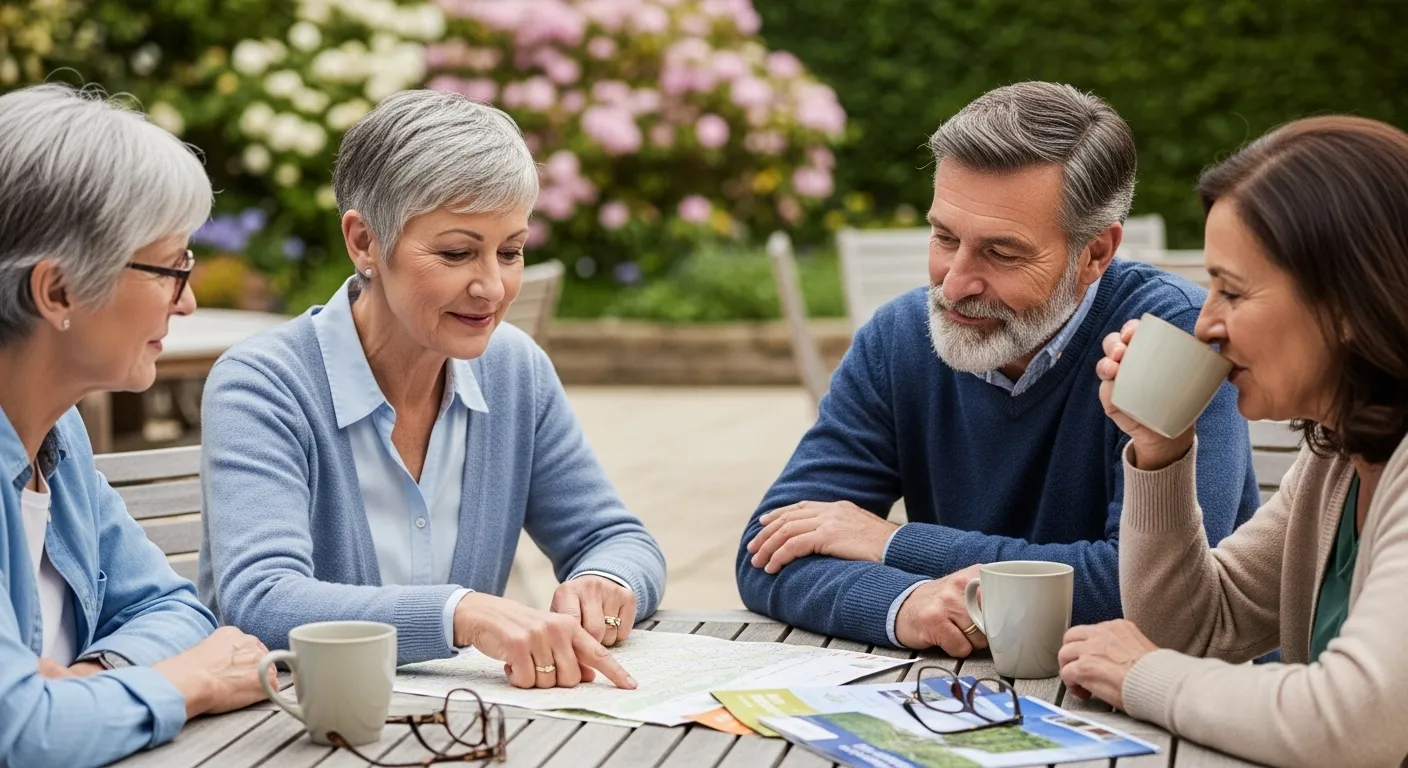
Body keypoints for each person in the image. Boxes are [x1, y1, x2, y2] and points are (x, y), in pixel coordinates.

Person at [736, 82, 1261, 653]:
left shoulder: (1168, 339)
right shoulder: (899, 337)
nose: (954, 285)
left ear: (1095, 254)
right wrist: (902, 605)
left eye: (1001, 253)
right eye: (944, 237)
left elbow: (1150, 592)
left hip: (1180, 703)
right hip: (972, 693)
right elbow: (767, 552)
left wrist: (891, 543)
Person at [200, 89, 665, 690]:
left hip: (468, 726)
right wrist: (461, 614)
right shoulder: (263, 384)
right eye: (456, 253)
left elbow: (615, 537)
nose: (493, 287)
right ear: (365, 242)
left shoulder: (514, 369)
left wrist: (608, 581)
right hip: (288, 734)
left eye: (512, 251)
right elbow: (261, 600)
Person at [1059, 117, 1408, 767]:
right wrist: (1160, 450)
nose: (1205, 324)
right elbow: (1196, 630)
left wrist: (1142, 676)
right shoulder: (1338, 456)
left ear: (1350, 304)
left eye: (1233, 291)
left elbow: (1355, 724)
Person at [0, 84, 269, 767]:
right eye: (171, 269)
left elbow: (177, 610)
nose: (190, 301)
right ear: (56, 290)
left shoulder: (58, 438)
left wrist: (91, 686)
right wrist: (191, 683)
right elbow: (21, 733)